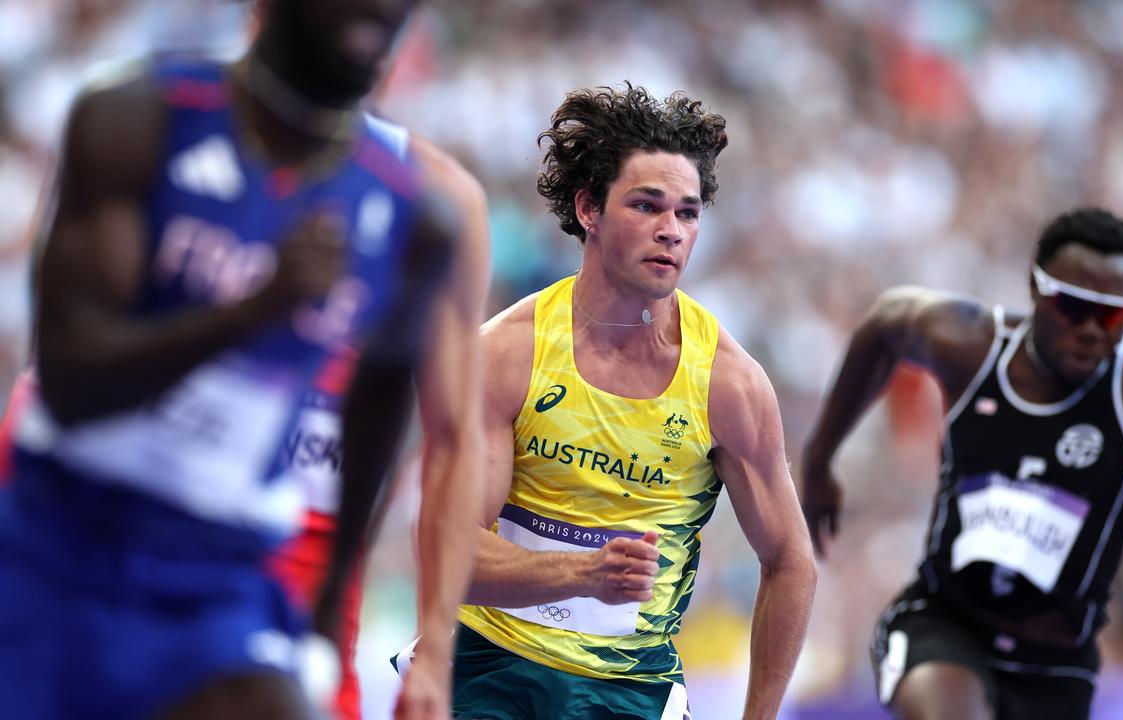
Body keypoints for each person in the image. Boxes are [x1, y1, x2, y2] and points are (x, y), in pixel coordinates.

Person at [0, 0, 480, 717]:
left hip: (218, 573)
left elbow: (384, 406)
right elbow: (71, 383)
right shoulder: (134, 119)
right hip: (58, 534)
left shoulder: (416, 215)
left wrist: (332, 598)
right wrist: (251, 310)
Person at [394, 83, 817, 720]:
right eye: (647, 206)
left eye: (688, 213)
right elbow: (448, 551)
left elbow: (790, 562)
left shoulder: (729, 384)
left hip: (630, 690)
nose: (671, 232)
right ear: (589, 208)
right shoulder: (506, 355)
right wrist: (585, 573)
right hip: (486, 665)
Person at [801, 207, 1123, 720]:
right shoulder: (973, 346)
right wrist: (820, 459)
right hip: (943, 625)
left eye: (1109, 315)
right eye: (1072, 306)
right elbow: (886, 322)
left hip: (1056, 667)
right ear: (1035, 289)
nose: (1088, 330)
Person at [272, 129, 491, 720]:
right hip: (173, 547)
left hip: (322, 582)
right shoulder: (173, 120)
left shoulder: (440, 198)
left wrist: (437, 652)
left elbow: (452, 442)